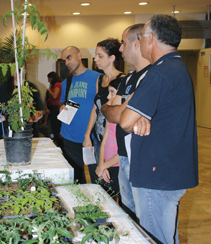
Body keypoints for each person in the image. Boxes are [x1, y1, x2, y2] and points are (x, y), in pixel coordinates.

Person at [119, 14, 199, 244]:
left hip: (157, 175)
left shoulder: (160, 73)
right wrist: (139, 118)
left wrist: (134, 117)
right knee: (165, 235)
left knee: (156, 237)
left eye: (141, 37)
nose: (139, 43)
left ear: (151, 38)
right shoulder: (176, 67)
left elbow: (125, 120)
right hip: (168, 171)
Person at [101, 24, 151, 219]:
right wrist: (114, 109)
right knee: (128, 212)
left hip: (140, 158)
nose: (120, 48)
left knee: (144, 216)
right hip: (123, 155)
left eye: (123, 43)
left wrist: (118, 110)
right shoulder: (128, 78)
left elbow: (119, 112)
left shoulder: (151, 76)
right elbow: (111, 112)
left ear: (137, 44)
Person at [83, 39, 124, 184]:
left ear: (112, 58)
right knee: (98, 180)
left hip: (114, 138)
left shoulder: (122, 80)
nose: (95, 59)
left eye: (100, 56)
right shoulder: (99, 79)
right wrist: (87, 135)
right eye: (96, 55)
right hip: (99, 138)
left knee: (113, 182)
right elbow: (95, 108)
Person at [59, 46, 100, 184]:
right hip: (69, 135)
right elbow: (62, 103)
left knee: (97, 176)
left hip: (91, 136)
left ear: (79, 55)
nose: (67, 62)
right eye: (64, 60)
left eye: (69, 57)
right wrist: (61, 108)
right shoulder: (66, 82)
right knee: (76, 178)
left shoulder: (97, 78)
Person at [0, 71, 44, 138]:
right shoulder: (3, 89)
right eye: (14, 71)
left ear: (25, 71)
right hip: (7, 132)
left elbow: (40, 109)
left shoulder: (31, 87)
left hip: (29, 132)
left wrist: (36, 116)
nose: (17, 73)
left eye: (19, 71)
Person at [95, 77, 121, 198]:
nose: (108, 97)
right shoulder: (110, 118)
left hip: (118, 167)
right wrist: (101, 164)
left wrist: (103, 166)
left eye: (112, 93)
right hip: (106, 167)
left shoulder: (125, 121)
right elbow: (104, 143)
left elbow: (124, 153)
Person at [46, 71, 62, 145]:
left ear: (51, 78)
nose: (48, 80)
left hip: (56, 107)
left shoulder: (57, 84)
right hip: (53, 107)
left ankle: (58, 141)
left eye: (49, 78)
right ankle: (57, 140)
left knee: (56, 125)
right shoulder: (54, 85)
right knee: (54, 124)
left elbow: (55, 95)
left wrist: (49, 91)